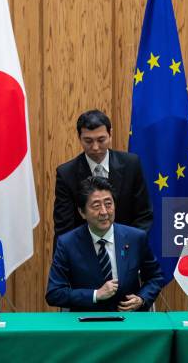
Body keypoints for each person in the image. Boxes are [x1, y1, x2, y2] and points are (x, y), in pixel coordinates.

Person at [46, 176, 162, 312]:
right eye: (96, 206)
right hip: (87, 324)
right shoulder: (67, 243)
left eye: (108, 204)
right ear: (82, 212)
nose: (104, 212)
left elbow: (155, 277)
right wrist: (96, 295)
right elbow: (54, 293)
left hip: (129, 322)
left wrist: (141, 299)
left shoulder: (135, 238)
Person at [53, 109, 152, 249]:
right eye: (88, 141)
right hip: (85, 254)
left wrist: (129, 247)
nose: (95, 147)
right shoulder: (66, 173)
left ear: (110, 134)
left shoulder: (131, 164)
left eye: (101, 140)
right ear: (79, 137)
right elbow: (64, 228)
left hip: (127, 248)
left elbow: (144, 215)